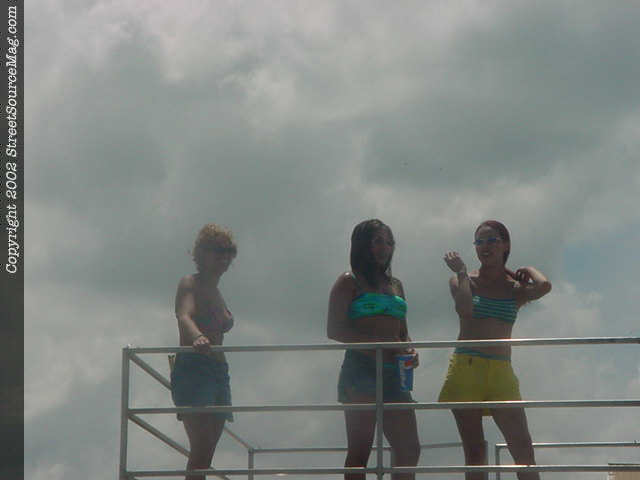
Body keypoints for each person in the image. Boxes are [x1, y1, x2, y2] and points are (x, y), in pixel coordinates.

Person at [439, 220, 552, 480]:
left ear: (505, 245)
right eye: (479, 242)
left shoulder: (514, 289)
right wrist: (463, 272)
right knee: (475, 451)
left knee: (523, 448)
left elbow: (544, 286)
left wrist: (527, 269)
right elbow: (465, 309)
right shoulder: (461, 280)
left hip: (501, 369)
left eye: (492, 240)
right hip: (467, 366)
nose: (485, 246)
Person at [327, 219, 421, 480]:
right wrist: (377, 346)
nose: (384, 248)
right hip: (362, 368)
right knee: (360, 451)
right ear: (363, 244)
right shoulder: (349, 281)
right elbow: (334, 329)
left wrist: (410, 349)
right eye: (378, 241)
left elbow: (402, 331)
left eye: (389, 243)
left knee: (409, 449)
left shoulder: (396, 284)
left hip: (395, 371)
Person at [171, 223, 237, 480]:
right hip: (195, 366)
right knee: (201, 446)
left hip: (219, 370)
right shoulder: (190, 283)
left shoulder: (217, 291)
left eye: (229, 252)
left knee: (207, 451)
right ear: (202, 253)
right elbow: (184, 315)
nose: (224, 257)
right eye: (218, 250)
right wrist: (197, 336)